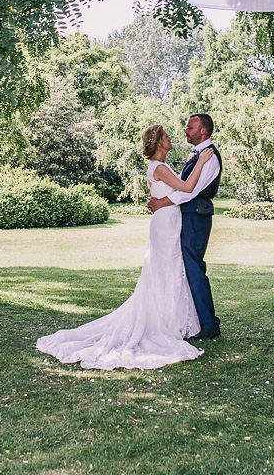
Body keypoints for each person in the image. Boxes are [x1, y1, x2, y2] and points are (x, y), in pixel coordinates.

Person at [35, 124, 214, 370]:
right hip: (164, 224)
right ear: (159, 141)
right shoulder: (159, 167)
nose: (171, 137)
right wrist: (202, 163)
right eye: (166, 136)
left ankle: (172, 320)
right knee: (162, 271)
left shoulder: (161, 166)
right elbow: (187, 188)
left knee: (171, 271)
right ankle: (161, 323)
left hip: (171, 222)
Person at [146, 113, 222, 341]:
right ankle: (197, 320)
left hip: (196, 217)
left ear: (203, 131)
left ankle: (209, 324)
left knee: (193, 268)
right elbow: (178, 186)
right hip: (185, 217)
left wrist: (161, 202)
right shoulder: (197, 155)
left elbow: (191, 190)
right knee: (186, 268)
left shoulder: (210, 158)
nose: (185, 131)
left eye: (190, 127)